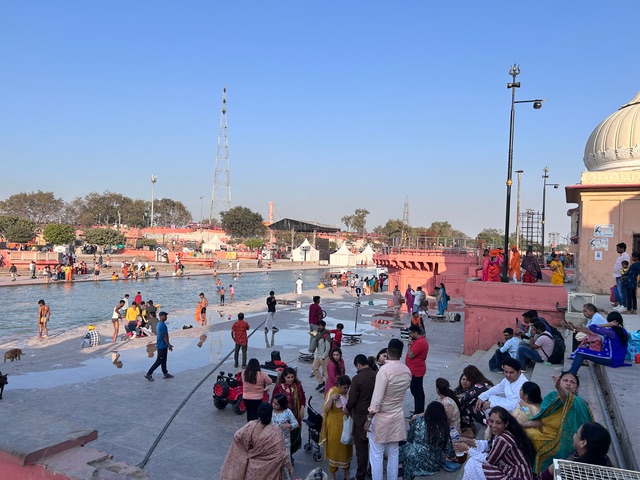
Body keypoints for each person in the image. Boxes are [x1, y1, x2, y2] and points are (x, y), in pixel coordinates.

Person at [525, 372, 594, 473]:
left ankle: (538, 473)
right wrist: (523, 425)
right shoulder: (551, 397)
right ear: (560, 381)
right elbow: (542, 420)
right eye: (565, 380)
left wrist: (558, 387)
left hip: (563, 440)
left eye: (572, 382)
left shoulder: (577, 403)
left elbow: (567, 399)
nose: (568, 384)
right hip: (543, 432)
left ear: (577, 387)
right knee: (522, 432)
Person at [366, 339, 412, 480]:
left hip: (381, 418)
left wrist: (369, 419)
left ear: (388, 351)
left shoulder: (384, 371)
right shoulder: (406, 371)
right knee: (393, 454)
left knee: (376, 455)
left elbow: (376, 399)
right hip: (397, 417)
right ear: (401, 353)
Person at [455, 406, 535, 480]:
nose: (493, 425)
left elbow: (489, 461)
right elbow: (490, 445)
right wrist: (469, 441)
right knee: (475, 460)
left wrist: (467, 449)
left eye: (498, 423)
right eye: (491, 421)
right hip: (510, 469)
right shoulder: (502, 432)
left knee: (473, 464)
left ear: (506, 424)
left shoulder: (504, 438)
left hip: (516, 475)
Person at [220, 402, 293, 480]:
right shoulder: (276, 432)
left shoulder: (250, 426)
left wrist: (245, 453)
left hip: (251, 471)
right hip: (268, 471)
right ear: (271, 414)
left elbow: (237, 436)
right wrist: (290, 467)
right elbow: (281, 454)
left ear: (258, 413)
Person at [399, 402, 457, 480]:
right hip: (432, 465)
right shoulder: (443, 428)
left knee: (401, 450)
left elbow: (410, 439)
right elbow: (449, 451)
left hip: (413, 457)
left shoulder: (418, 421)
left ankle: (400, 475)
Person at [539, 421, 612, 480]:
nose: (574, 435)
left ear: (583, 443)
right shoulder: (606, 465)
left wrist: (551, 470)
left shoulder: (565, 469)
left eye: (576, 432)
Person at [566, 311, 629, 375]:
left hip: (611, 359)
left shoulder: (611, 332)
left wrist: (607, 324)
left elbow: (592, 327)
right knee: (583, 349)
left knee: (580, 353)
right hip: (618, 359)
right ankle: (573, 370)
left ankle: (572, 373)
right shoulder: (623, 331)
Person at [345, 354, 376, 480]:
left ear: (358, 365)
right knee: (375, 448)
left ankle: (360, 475)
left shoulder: (357, 379)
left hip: (361, 416)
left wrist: (347, 408)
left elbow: (352, 400)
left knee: (361, 448)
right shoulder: (376, 375)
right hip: (375, 415)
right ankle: (373, 471)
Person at [320, 375, 352, 480]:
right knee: (334, 449)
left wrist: (347, 412)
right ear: (339, 385)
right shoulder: (332, 392)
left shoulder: (348, 394)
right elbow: (326, 409)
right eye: (344, 388)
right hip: (334, 426)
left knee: (346, 449)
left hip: (345, 425)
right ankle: (332, 474)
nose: (346, 390)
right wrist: (331, 399)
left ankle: (346, 473)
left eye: (348, 388)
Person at [272, 367, 306, 460]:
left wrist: (302, 408)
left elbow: (303, 398)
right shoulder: (278, 387)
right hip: (282, 417)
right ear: (284, 377)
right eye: (288, 377)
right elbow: (273, 401)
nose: (290, 379)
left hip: (295, 416)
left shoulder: (298, 386)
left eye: (292, 377)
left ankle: (290, 455)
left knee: (294, 435)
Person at [454, 365, 493, 436]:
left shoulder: (479, 386)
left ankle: (469, 430)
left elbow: (465, 399)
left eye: (468, 379)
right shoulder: (484, 384)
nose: (465, 381)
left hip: (489, 415)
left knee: (465, 406)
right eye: (463, 379)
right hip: (489, 411)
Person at [271, 393, 299, 474]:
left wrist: (289, 425)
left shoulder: (287, 412)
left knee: (286, 461)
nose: (274, 405)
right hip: (272, 441)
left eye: (276, 404)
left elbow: (296, 423)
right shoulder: (271, 411)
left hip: (285, 442)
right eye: (273, 403)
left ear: (282, 404)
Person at [405, 324, 428, 416]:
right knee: (418, 391)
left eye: (411, 333)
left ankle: (418, 412)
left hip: (416, 370)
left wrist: (409, 344)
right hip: (416, 369)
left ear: (415, 333)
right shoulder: (420, 341)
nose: (410, 335)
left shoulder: (420, 342)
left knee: (416, 391)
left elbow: (410, 355)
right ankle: (419, 410)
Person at [144, 311, 173, 381]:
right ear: (161, 316)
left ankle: (165, 373)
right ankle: (149, 373)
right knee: (159, 361)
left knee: (164, 360)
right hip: (161, 346)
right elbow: (164, 335)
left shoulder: (160, 324)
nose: (166, 317)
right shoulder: (162, 325)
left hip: (163, 345)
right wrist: (168, 344)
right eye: (165, 316)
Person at [310, 320, 331, 393]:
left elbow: (328, 347)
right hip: (318, 355)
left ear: (324, 326)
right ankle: (321, 382)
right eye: (319, 325)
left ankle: (327, 386)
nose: (320, 327)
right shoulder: (319, 334)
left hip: (324, 357)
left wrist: (324, 356)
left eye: (321, 325)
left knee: (325, 372)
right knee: (314, 367)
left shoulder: (326, 335)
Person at [612, 242, 631, 311]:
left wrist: (623, 275)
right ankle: (620, 304)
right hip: (617, 275)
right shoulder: (620, 256)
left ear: (622, 248)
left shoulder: (625, 256)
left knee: (622, 291)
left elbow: (626, 266)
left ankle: (624, 306)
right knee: (619, 291)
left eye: (618, 248)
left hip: (621, 276)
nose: (617, 250)